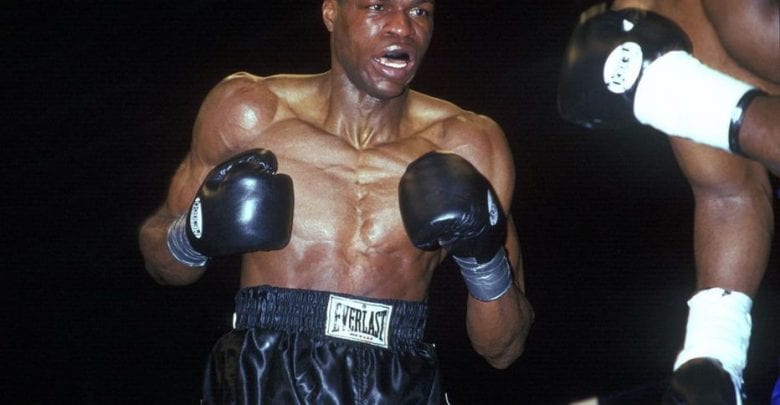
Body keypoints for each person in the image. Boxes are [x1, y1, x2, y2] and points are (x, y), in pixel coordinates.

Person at [138, 0, 534, 403]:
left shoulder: (468, 145)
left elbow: (504, 347)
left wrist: (482, 259)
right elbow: (161, 265)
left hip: (399, 380)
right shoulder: (251, 113)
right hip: (265, 371)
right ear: (331, 12)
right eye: (377, 6)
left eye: (419, 12)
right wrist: (193, 234)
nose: (402, 28)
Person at [558, 0, 779, 403]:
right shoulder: (648, 15)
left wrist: (698, 102)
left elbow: (729, 122)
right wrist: (714, 352)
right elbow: (729, 194)